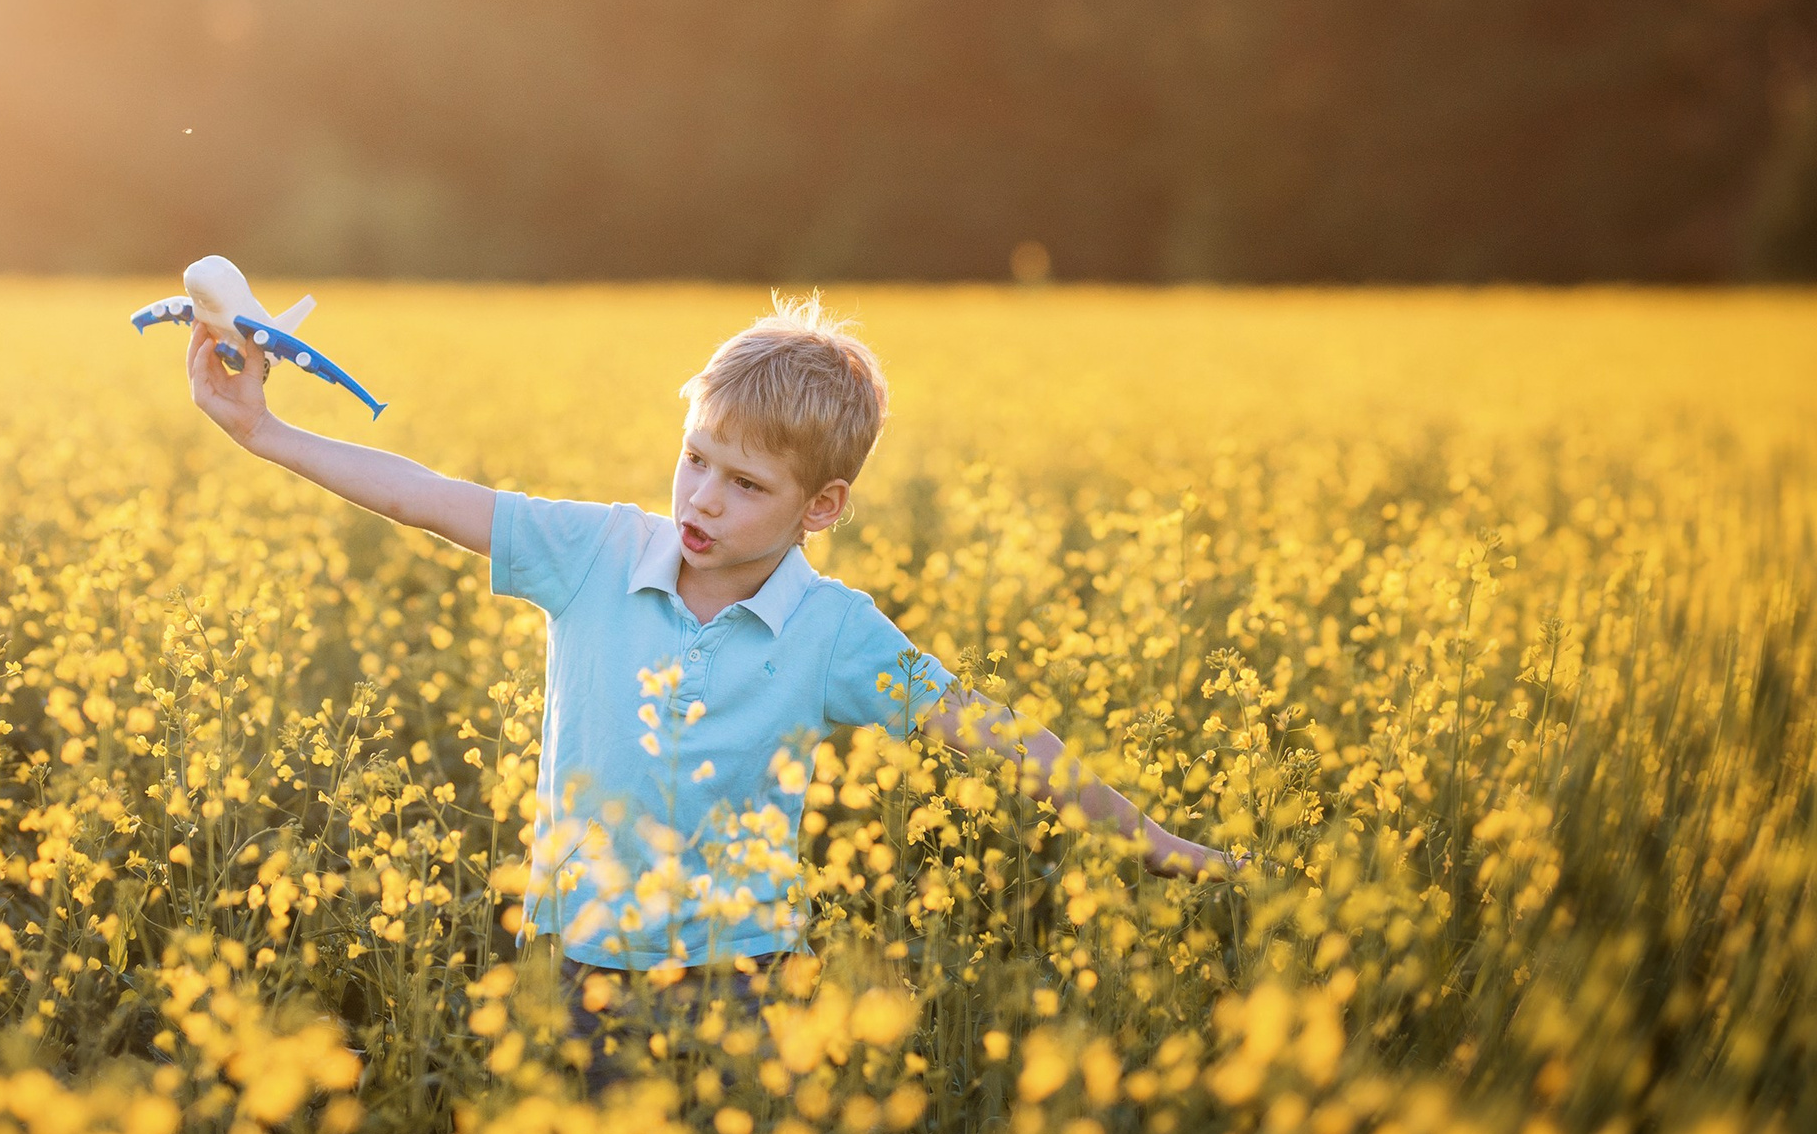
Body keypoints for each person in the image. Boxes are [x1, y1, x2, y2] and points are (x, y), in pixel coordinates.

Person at [180, 292, 1232, 1069]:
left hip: (744, 984)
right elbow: (423, 497)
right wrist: (261, 430)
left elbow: (991, 732)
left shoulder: (830, 628)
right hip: (577, 965)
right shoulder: (592, 552)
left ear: (819, 508)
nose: (702, 500)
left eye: (744, 484)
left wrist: (1144, 835)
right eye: (694, 461)